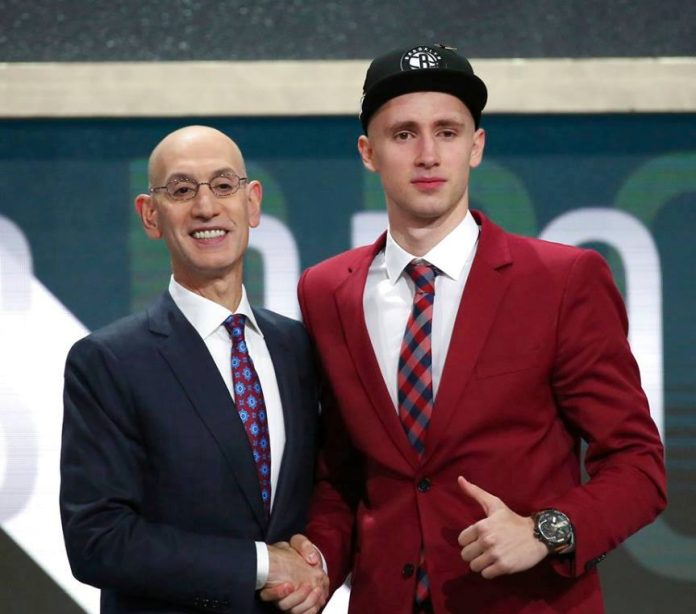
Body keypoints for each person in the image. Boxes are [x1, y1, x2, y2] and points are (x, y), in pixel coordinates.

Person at [270, 44, 667, 612]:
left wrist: (545, 531)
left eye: (448, 132)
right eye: (403, 134)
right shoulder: (326, 289)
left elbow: (637, 464)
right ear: (368, 153)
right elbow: (341, 475)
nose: (428, 155)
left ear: (476, 146)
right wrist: (321, 566)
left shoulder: (562, 280)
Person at [60, 125, 328, 613]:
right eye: (182, 190)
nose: (206, 207)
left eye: (223, 185)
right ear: (150, 215)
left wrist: (318, 558)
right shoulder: (108, 361)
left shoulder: (297, 347)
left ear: (252, 203)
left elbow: (329, 488)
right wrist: (261, 564)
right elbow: (97, 539)